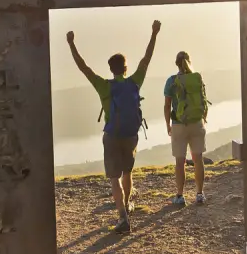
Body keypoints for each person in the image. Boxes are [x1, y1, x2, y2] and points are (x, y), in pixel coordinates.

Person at [66, 20, 160, 234]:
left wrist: (71, 43)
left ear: (110, 68)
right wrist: (154, 33)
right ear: (125, 68)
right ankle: (127, 205)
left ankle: (122, 217)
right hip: (131, 135)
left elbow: (83, 68)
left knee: (114, 178)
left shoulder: (103, 86)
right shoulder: (135, 81)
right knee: (127, 173)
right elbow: (147, 59)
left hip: (111, 136)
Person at [163, 50, 210, 206]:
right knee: (198, 159)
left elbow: (167, 105)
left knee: (180, 161)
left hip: (179, 124)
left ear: (176, 63)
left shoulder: (172, 81)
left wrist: (167, 124)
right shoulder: (197, 78)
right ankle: (199, 194)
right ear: (190, 61)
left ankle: (180, 196)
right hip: (197, 122)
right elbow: (203, 99)